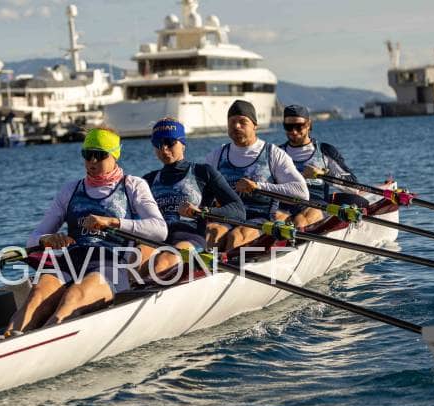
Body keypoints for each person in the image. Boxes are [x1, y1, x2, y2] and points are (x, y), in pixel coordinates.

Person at [3, 127, 167, 335]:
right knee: (37, 294)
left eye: (99, 155)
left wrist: (113, 222)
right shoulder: (70, 190)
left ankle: (42, 339)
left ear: (115, 155)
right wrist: (47, 240)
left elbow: (159, 230)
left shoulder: (132, 186)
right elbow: (32, 241)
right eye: (87, 154)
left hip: (111, 264)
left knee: (74, 295)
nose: (92, 161)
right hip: (71, 261)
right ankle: (5, 339)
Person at [140, 117, 246, 276]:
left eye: (170, 142)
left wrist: (203, 212)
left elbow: (238, 210)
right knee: (133, 259)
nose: (164, 149)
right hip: (157, 239)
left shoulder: (203, 172)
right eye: (158, 144)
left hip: (191, 239)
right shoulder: (148, 180)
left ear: (182, 143)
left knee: (161, 263)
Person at [205, 100, 309, 249]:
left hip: (261, 218)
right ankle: (207, 263)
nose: (236, 126)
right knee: (210, 233)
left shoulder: (273, 154)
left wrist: (257, 187)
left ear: (255, 125)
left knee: (236, 236)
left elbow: (302, 193)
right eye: (232, 122)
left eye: (243, 122)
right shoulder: (216, 156)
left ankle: (232, 262)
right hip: (227, 216)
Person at [279, 104, 361, 227]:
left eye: (299, 126)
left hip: (315, 205)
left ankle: (296, 236)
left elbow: (354, 187)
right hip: (284, 204)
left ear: (308, 124)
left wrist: (322, 174)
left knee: (300, 221)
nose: (294, 131)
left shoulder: (325, 151)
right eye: (289, 127)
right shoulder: (276, 154)